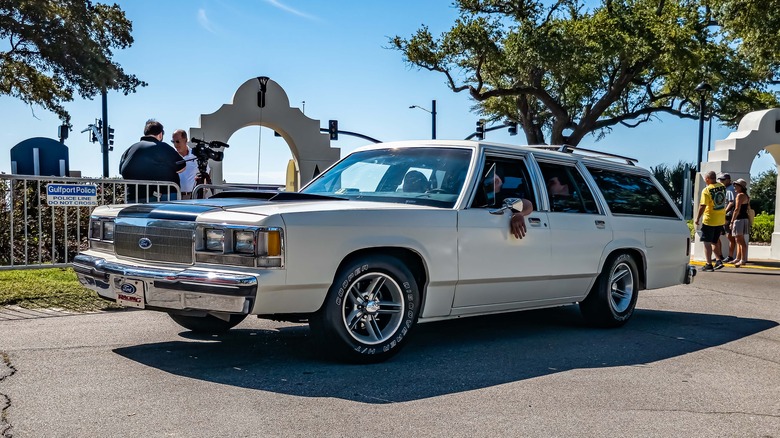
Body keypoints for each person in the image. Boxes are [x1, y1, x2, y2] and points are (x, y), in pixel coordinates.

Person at [119, 120, 185, 203]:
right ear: (160, 134)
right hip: (160, 198)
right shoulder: (162, 147)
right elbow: (182, 166)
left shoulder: (130, 149)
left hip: (132, 198)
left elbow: (121, 170)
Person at [695, 170, 727, 271]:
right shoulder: (722, 187)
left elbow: (702, 205)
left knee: (707, 243)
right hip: (720, 219)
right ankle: (718, 260)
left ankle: (709, 264)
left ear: (707, 179)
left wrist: (697, 218)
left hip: (710, 219)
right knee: (715, 241)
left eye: (705, 178)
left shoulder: (707, 190)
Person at [171, 129, 209, 199]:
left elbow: (206, 172)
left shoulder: (196, 155)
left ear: (185, 140)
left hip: (194, 196)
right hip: (176, 197)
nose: (175, 144)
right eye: (173, 142)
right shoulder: (171, 156)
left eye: (177, 141)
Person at [730, 178, 751, 267]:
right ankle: (738, 258)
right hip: (744, 218)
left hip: (739, 219)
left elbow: (736, 209)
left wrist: (732, 221)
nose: (734, 187)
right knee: (738, 239)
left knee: (740, 240)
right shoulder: (746, 195)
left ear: (741, 187)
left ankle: (742, 259)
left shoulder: (740, 196)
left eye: (736, 185)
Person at [718, 173, 737, 263]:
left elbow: (731, 202)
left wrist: (724, 212)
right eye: (720, 180)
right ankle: (719, 256)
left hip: (727, 215)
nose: (721, 181)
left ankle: (730, 256)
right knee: (717, 235)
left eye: (723, 180)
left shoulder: (730, 190)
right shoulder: (724, 189)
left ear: (728, 180)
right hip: (722, 215)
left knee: (729, 236)